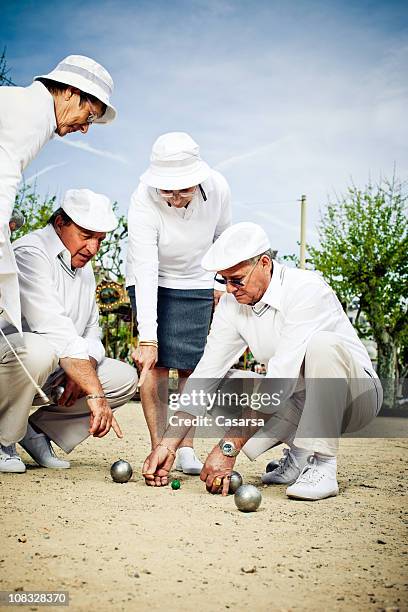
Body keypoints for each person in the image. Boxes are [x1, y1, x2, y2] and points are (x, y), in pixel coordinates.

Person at [142, 222, 383, 500]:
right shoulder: (232, 305)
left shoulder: (306, 289)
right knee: (223, 386)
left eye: (237, 280)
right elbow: (207, 373)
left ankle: (324, 464)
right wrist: (168, 445)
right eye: (224, 281)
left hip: (356, 397)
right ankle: (299, 457)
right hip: (300, 398)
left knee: (321, 346)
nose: (230, 290)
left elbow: (280, 380)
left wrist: (227, 448)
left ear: (265, 263)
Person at [0, 189, 138, 473]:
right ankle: (3, 439)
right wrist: (93, 392)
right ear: (60, 222)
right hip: (14, 364)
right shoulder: (30, 252)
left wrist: (83, 369)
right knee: (40, 351)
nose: (93, 248)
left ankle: (37, 431)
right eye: (86, 236)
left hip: (53, 368)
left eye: (100, 240)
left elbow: (92, 333)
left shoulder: (83, 266)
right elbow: (54, 329)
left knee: (124, 378)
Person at [126, 132, 231, 474]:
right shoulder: (142, 199)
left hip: (197, 279)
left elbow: (222, 239)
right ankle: (160, 446)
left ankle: (184, 447)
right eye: (166, 189)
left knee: (191, 366)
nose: (173, 196)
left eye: (182, 189)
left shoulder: (218, 188)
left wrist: (219, 282)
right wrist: (148, 338)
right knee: (156, 366)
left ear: (198, 179)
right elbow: (145, 266)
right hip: (150, 279)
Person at [0, 54, 116, 331]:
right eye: (89, 115)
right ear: (69, 92)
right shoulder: (30, 117)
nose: (86, 128)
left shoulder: (22, 105)